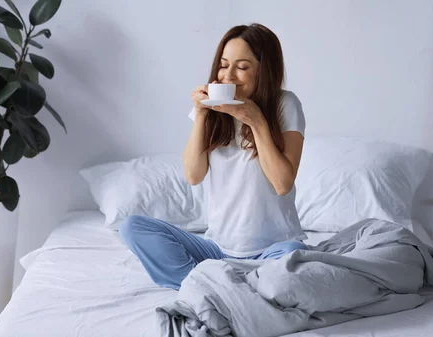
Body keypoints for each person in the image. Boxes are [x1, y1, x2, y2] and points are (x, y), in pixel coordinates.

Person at [120, 23, 308, 290]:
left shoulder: (286, 104)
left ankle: (212, 287)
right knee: (132, 227)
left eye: (242, 67)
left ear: (264, 70)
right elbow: (193, 175)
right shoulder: (212, 110)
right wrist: (202, 115)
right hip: (217, 250)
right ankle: (226, 288)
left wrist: (256, 123)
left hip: (273, 250)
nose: (228, 75)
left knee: (292, 261)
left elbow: (282, 183)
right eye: (223, 65)